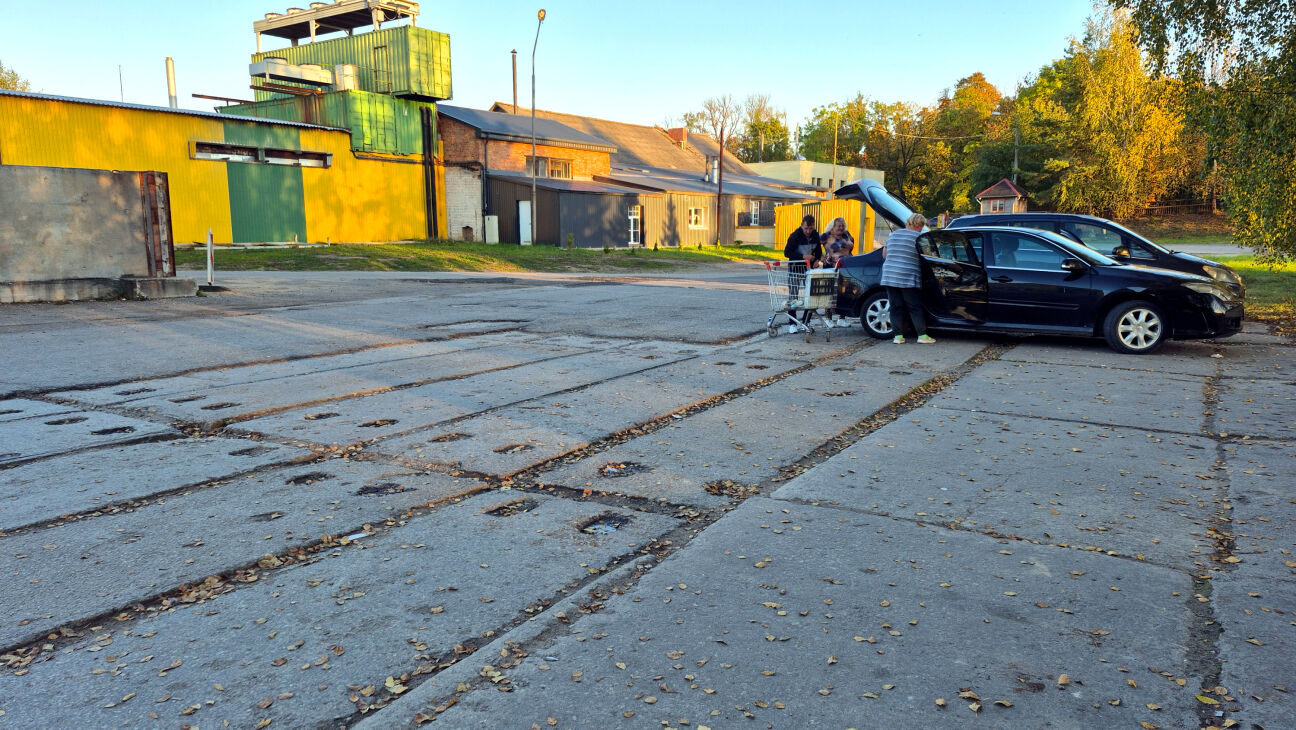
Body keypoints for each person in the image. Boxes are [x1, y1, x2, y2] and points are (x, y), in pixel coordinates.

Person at [879, 212, 935, 344]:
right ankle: (922, 336)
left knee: (895, 306)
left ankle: (898, 337)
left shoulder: (893, 234)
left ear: (908, 223)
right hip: (907, 275)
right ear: (920, 225)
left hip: (890, 275)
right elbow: (928, 257)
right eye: (921, 226)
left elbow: (884, 255)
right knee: (914, 306)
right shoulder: (919, 238)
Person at [783, 215, 822, 332]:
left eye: (811, 228)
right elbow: (787, 252)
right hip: (795, 268)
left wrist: (816, 260)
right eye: (806, 228)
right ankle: (792, 323)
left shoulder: (815, 235)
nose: (808, 231)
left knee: (810, 295)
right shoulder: (795, 236)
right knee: (793, 296)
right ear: (801, 226)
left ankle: (806, 321)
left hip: (809, 269)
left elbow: (818, 251)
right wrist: (803, 256)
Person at [819, 217, 855, 325]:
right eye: (838, 226)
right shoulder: (826, 235)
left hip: (845, 267)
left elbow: (851, 244)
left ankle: (841, 318)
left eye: (843, 225)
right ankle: (828, 318)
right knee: (830, 293)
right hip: (830, 267)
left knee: (845, 292)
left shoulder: (846, 234)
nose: (841, 228)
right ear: (833, 226)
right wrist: (820, 257)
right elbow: (814, 245)